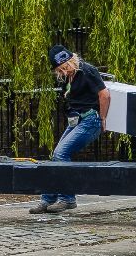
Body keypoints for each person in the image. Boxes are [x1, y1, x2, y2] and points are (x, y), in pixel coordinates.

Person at [29, 45, 110, 214]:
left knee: (61, 153)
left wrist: (103, 118)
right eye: (60, 70)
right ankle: (48, 199)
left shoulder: (88, 70)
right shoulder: (68, 77)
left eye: (65, 68)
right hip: (76, 120)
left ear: (71, 60)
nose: (64, 72)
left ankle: (67, 199)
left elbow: (105, 94)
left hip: (90, 119)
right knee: (56, 156)